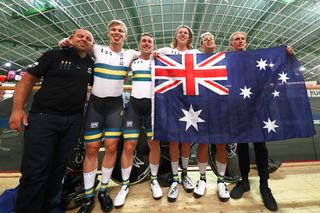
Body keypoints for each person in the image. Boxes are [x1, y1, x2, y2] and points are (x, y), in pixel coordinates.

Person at [9, 29, 94, 213]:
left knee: (59, 167)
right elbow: (28, 79)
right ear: (70, 39)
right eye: (80, 36)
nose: (84, 39)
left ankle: (51, 207)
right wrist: (17, 109)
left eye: (88, 38)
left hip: (73, 120)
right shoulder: (53, 55)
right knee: (35, 170)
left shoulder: (90, 63)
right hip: (44, 118)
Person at [73, 20, 140, 213]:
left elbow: (148, 53)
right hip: (95, 105)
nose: (117, 33)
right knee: (92, 149)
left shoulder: (130, 54)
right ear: (109, 33)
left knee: (111, 147)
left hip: (115, 106)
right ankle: (87, 197)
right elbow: (81, 43)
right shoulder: (97, 49)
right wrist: (66, 41)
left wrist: (162, 52)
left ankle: (103, 190)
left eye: (120, 31)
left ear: (125, 36)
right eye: (114, 31)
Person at [228, 31, 279, 211]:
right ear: (231, 44)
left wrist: (286, 54)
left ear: (246, 42)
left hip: (257, 106)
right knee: (241, 145)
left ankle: (264, 186)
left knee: (260, 145)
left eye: (243, 38)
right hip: (238, 107)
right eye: (236, 39)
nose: (240, 41)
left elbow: (273, 70)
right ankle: (244, 182)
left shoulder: (256, 59)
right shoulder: (227, 60)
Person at [113, 33, 163, 208]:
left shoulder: (158, 60)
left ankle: (154, 180)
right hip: (134, 106)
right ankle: (125, 185)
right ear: (140, 44)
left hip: (152, 107)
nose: (147, 44)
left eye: (150, 41)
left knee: (153, 144)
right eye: (144, 41)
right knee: (128, 145)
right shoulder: (132, 60)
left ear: (153, 44)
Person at [156, 25, 200, 202]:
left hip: (191, 100)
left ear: (189, 37)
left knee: (187, 140)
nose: (182, 34)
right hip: (172, 100)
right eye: (180, 32)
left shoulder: (195, 53)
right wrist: (153, 55)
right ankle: (175, 178)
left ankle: (184, 173)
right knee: (174, 139)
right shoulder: (167, 51)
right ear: (176, 35)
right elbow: (146, 52)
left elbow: (212, 57)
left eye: (186, 33)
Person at [192, 32, 230, 201]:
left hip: (220, 106)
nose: (208, 41)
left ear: (215, 43)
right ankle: (202, 179)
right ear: (201, 45)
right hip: (200, 107)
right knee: (202, 144)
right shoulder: (195, 60)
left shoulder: (224, 59)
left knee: (221, 144)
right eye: (205, 40)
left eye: (211, 39)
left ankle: (221, 181)